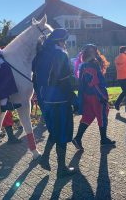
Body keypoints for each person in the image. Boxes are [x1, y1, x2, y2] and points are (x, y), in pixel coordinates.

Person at [32, 28, 77, 177]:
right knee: (62, 132)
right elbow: (64, 80)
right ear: (60, 41)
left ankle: (45, 158)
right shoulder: (60, 54)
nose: (65, 44)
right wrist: (73, 97)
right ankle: (61, 168)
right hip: (61, 99)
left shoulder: (40, 55)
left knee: (55, 130)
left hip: (47, 99)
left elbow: (35, 79)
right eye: (64, 40)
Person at [72, 44, 115, 150]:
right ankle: (103, 139)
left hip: (87, 95)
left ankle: (77, 138)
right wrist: (102, 96)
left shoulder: (83, 65)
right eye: (94, 51)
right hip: (96, 95)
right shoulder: (92, 64)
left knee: (88, 116)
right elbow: (93, 82)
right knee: (102, 115)